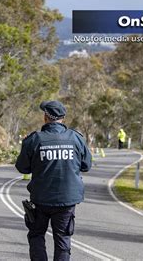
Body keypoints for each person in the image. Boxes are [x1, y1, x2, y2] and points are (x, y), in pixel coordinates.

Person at [15, 100, 92, 261]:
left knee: (36, 235)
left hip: (41, 200)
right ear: (62, 118)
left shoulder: (34, 139)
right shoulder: (76, 139)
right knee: (63, 240)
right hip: (67, 201)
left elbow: (22, 168)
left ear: (45, 117)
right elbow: (86, 165)